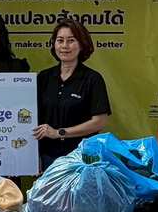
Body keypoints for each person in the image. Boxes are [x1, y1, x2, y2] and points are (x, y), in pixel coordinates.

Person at [33, 17, 111, 167]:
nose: (64, 46)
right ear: (54, 44)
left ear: (81, 44)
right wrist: (32, 154)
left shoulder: (92, 79)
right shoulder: (43, 77)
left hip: (82, 159)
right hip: (47, 158)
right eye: (60, 40)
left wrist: (59, 132)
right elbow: (32, 118)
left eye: (71, 40)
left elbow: (99, 122)